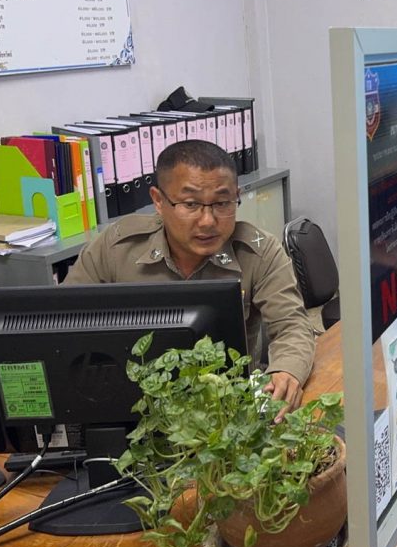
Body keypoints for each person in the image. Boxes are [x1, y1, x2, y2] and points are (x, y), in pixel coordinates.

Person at [64, 139, 315, 419]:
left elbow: (292, 325)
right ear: (159, 201)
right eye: (191, 204)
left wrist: (286, 371)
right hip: (131, 409)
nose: (208, 220)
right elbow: (60, 323)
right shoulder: (117, 247)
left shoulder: (259, 251)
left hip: (226, 413)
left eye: (222, 202)